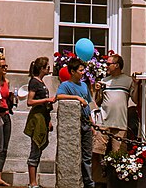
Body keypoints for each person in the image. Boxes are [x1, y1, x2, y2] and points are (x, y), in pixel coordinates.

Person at [55, 58, 93, 188]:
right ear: (72, 71)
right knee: (73, 154)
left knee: (87, 155)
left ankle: (88, 182)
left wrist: (92, 122)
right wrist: (76, 98)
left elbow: (89, 102)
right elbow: (59, 96)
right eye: (80, 70)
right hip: (75, 123)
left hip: (86, 122)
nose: (83, 73)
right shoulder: (65, 85)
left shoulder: (84, 85)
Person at [94, 53, 130, 165]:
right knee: (96, 153)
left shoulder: (128, 81)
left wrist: (137, 85)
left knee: (119, 157)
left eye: (108, 64)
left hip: (120, 123)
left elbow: (135, 99)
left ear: (117, 65)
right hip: (103, 122)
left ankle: (116, 176)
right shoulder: (104, 81)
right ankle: (97, 177)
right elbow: (98, 101)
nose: (106, 66)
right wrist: (97, 91)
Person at [22, 58, 53, 188]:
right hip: (37, 117)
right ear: (41, 69)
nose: (49, 69)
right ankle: (32, 182)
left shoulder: (41, 82)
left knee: (38, 150)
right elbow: (30, 101)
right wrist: (46, 100)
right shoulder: (34, 82)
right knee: (35, 149)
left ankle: (34, 181)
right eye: (47, 67)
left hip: (43, 117)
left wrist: (49, 120)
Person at [0, 55, 14, 188]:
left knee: (4, 148)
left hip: (6, 114)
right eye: (3, 66)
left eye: (6, 66)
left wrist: (12, 98)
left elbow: (6, 97)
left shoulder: (7, 81)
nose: (5, 68)